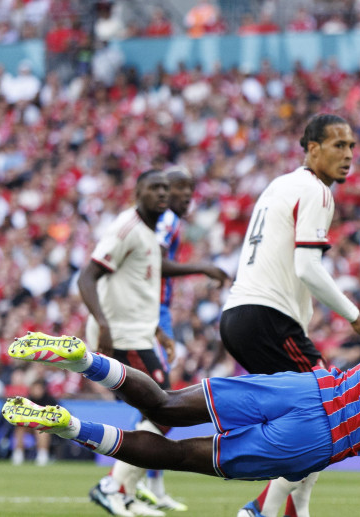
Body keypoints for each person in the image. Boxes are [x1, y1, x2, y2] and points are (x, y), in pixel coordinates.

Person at [1, 317, 360, 517]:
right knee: (175, 454)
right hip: (313, 438)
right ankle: (66, 425)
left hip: (299, 387)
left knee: (162, 405)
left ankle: (81, 358)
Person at [219, 113, 360, 517]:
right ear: (312, 149)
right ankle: (260, 510)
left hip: (239, 314)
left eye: (351, 147)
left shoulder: (280, 184)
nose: (348, 155)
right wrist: (354, 315)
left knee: (310, 423)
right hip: (266, 317)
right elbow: (307, 268)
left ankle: (295, 510)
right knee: (329, 411)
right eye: (337, 146)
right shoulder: (317, 191)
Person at [76, 169, 172, 517]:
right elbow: (88, 274)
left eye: (165, 187)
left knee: (160, 412)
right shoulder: (127, 227)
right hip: (120, 334)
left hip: (139, 333)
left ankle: (125, 491)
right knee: (163, 410)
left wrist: (158, 331)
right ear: (137, 192)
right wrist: (102, 323)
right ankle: (113, 486)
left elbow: (140, 289)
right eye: (154, 187)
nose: (162, 193)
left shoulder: (148, 232)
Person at [136, 166, 230, 512]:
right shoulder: (167, 222)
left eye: (191, 189)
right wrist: (202, 267)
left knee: (154, 402)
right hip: (148, 312)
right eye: (179, 188)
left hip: (155, 312)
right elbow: (157, 263)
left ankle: (149, 484)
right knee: (158, 402)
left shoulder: (168, 222)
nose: (186, 195)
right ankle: (124, 484)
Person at [10, 379, 56, 466]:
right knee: (20, 427)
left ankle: (42, 456)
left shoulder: (50, 401)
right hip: (30, 426)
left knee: (40, 429)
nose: (36, 391)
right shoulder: (27, 402)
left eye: (38, 389)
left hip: (47, 428)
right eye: (34, 389)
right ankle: (18, 455)